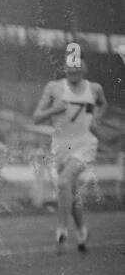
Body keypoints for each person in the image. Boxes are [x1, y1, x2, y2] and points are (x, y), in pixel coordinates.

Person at [32, 58, 106, 253]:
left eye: (78, 68)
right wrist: (54, 109)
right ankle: (82, 232)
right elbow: (37, 117)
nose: (74, 71)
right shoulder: (54, 88)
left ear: (84, 69)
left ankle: (62, 233)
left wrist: (95, 119)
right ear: (65, 69)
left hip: (85, 145)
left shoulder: (95, 88)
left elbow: (102, 104)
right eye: (70, 68)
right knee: (70, 194)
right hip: (61, 148)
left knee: (64, 183)